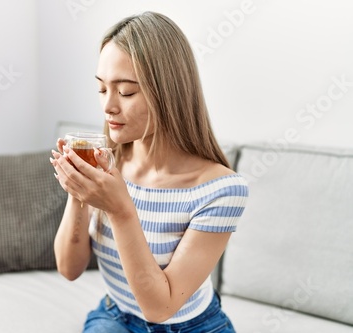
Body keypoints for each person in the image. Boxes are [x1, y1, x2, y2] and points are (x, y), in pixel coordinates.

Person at [50, 11, 248, 333]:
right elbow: (69, 268)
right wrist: (79, 192)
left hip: (193, 325)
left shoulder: (222, 190)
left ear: (168, 93)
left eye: (126, 92)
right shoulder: (108, 163)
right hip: (115, 316)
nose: (108, 106)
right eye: (102, 89)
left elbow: (160, 308)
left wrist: (119, 209)